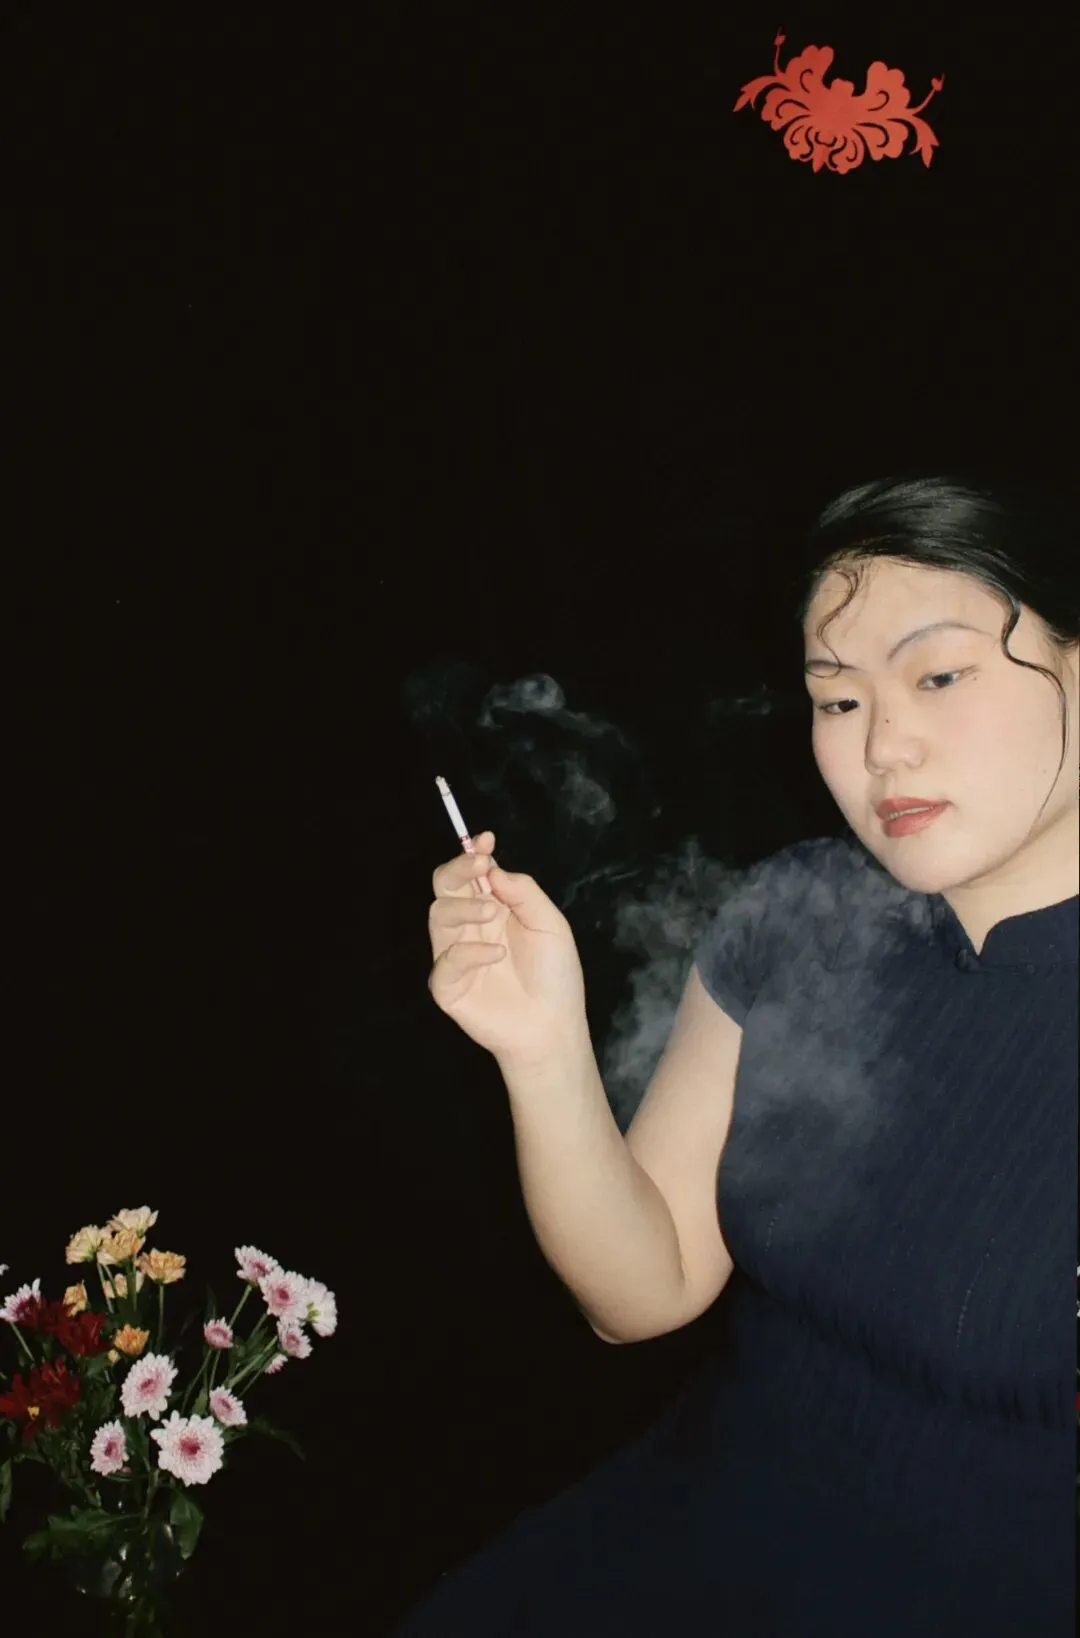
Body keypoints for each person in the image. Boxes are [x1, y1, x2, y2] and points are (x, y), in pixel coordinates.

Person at [392, 472, 1078, 1636]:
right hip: (700, 1522)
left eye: (939, 675)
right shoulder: (795, 913)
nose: (884, 744)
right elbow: (642, 1291)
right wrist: (542, 1046)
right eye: (838, 698)